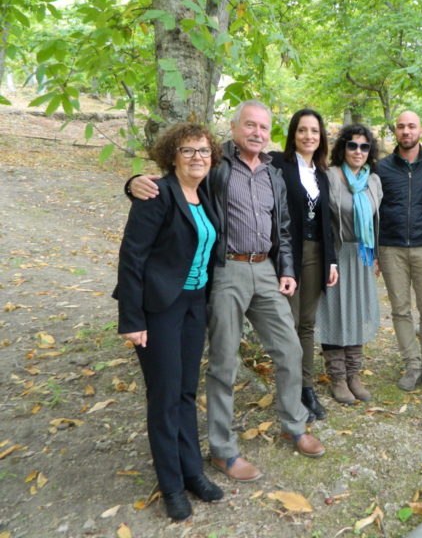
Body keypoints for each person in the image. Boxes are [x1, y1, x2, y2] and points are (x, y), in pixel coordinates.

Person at [126, 100, 325, 484]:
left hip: (266, 269)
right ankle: (223, 449)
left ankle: (293, 424)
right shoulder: (216, 166)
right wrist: (133, 184)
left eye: (264, 128)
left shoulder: (273, 172)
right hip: (226, 271)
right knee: (223, 363)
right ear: (234, 129)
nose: (257, 133)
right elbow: (176, 185)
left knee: (290, 349)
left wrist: (285, 269)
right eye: (249, 125)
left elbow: (282, 227)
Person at [115, 123, 224, 520]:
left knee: (184, 393)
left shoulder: (205, 193)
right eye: (188, 150)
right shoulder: (156, 194)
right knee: (163, 399)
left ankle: (192, 472)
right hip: (159, 309)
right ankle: (172, 484)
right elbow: (132, 258)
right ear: (171, 156)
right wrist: (131, 318)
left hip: (194, 305)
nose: (198, 157)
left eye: (204, 150)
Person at [270, 109, 338, 421]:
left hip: (317, 254)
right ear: (293, 134)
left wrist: (332, 260)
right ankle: (290, 389)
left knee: (308, 324)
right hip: (288, 254)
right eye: (302, 130)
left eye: (314, 131)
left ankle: (306, 388)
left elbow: (329, 221)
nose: (309, 136)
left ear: (321, 136)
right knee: (290, 323)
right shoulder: (277, 165)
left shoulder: (322, 173)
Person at [377, 111, 422, 393]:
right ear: (395, 131)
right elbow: (375, 209)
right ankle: (412, 364)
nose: (406, 131)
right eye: (401, 127)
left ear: (420, 130)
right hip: (390, 247)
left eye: (411, 126)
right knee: (400, 310)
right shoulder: (381, 168)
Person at [315, 124, 383, 404]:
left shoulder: (374, 181)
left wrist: (376, 253)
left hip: (363, 255)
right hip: (336, 254)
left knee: (357, 311)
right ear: (342, 148)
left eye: (364, 146)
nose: (358, 151)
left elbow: (376, 222)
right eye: (352, 145)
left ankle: (354, 374)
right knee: (333, 313)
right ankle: (338, 376)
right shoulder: (329, 177)